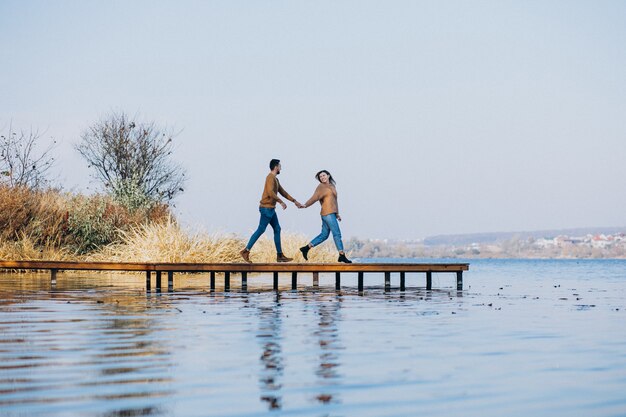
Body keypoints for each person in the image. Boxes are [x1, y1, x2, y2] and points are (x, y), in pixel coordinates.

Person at [240, 159, 303, 263]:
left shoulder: (275, 179)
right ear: (276, 167)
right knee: (261, 229)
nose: (281, 168)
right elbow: (270, 192)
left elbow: (283, 192)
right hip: (266, 208)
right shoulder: (270, 177)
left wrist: (294, 201)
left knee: (277, 229)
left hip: (271, 209)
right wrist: (280, 202)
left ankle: (279, 255)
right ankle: (246, 251)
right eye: (280, 166)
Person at [299, 170, 352, 263]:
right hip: (327, 214)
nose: (322, 177)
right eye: (320, 177)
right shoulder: (321, 187)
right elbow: (314, 198)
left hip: (330, 213)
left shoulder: (332, 186)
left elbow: (334, 201)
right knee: (337, 234)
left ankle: (306, 248)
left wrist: (337, 213)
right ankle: (342, 255)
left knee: (324, 235)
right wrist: (305, 205)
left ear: (328, 175)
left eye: (324, 175)